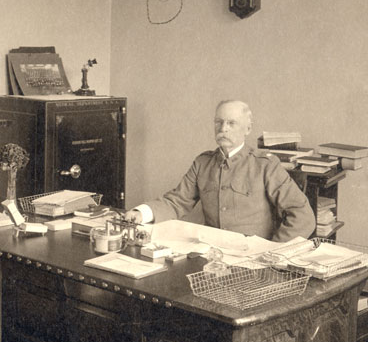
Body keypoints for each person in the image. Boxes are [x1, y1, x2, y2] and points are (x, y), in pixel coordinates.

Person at [126, 100, 315, 242]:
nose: (223, 128)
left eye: (231, 123)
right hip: (211, 256)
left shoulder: (265, 166)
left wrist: (274, 252)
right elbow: (177, 201)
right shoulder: (203, 163)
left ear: (247, 128)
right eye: (219, 122)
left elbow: (303, 216)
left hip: (253, 260)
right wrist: (142, 213)